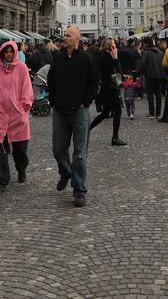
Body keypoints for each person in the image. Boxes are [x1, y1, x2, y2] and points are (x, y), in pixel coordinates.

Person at [48, 25, 98, 207]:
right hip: (60, 111)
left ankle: (79, 190)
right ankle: (66, 172)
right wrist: (53, 101)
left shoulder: (86, 59)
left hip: (80, 111)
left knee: (79, 153)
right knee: (58, 149)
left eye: (68, 35)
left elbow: (94, 82)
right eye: (65, 35)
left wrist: (86, 101)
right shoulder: (57, 58)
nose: (65, 38)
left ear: (77, 39)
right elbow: (51, 81)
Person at [0, 40, 33, 195]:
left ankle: (21, 168)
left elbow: (26, 86)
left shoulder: (22, 68)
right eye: (5, 52)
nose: (8, 54)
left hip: (17, 114)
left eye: (10, 51)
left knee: (20, 150)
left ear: (14, 52)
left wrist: (25, 104)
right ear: (1, 53)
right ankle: (0, 181)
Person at [90, 38, 127, 146]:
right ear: (109, 46)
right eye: (113, 44)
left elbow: (116, 70)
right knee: (117, 112)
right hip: (110, 89)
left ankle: (86, 130)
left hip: (108, 88)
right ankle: (115, 138)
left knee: (105, 113)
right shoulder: (105, 56)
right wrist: (115, 57)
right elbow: (113, 69)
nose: (115, 46)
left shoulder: (105, 55)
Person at [139, 38, 164, 118]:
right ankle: (158, 113)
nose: (143, 45)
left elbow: (142, 64)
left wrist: (138, 73)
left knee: (150, 94)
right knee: (158, 94)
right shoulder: (160, 52)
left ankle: (152, 112)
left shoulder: (147, 52)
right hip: (159, 75)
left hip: (150, 75)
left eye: (144, 44)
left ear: (147, 43)